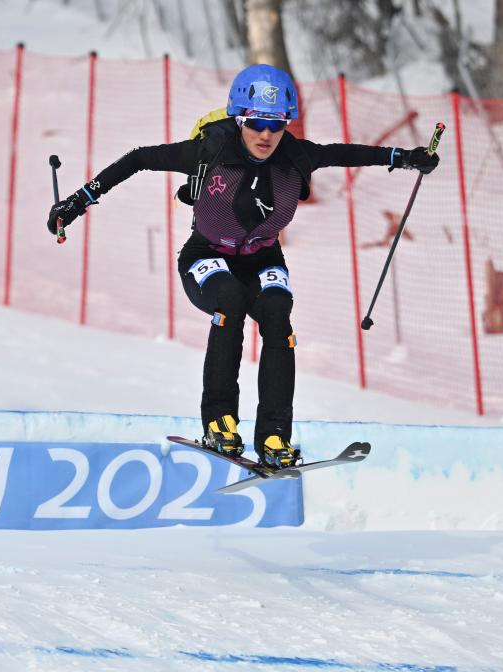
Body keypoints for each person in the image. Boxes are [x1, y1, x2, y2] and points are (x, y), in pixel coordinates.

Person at [46, 64, 440, 469]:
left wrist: (407, 158)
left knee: (276, 315)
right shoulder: (210, 150)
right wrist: (77, 202)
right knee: (229, 300)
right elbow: (139, 159)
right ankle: (219, 422)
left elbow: (346, 153)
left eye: (276, 124)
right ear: (239, 119)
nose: (266, 135)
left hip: (262, 257)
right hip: (206, 255)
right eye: (256, 124)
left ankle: (273, 435)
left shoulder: (296, 155)